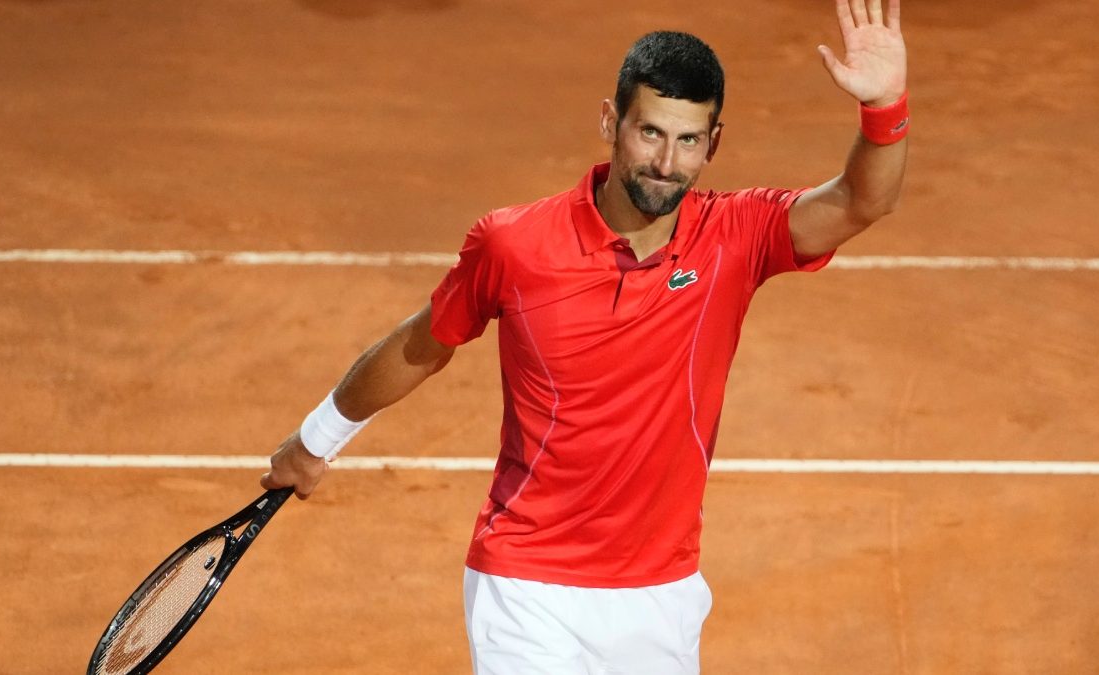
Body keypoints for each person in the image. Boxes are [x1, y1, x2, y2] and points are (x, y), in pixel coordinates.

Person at [262, 0, 908, 672]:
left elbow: (863, 200)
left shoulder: (735, 236)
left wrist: (885, 105)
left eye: (689, 140)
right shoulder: (515, 244)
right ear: (610, 122)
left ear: (713, 144)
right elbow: (422, 345)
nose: (666, 161)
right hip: (527, 585)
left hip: (661, 594)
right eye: (649, 132)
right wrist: (314, 441)